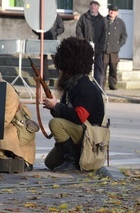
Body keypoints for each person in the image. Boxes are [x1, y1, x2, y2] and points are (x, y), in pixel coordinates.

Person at [41, 37, 105, 172]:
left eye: (62, 69)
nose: (60, 72)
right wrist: (54, 107)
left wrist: (56, 106)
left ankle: (73, 161)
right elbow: (67, 114)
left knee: (55, 124)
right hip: (81, 133)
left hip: (90, 136)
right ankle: (72, 156)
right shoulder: (73, 85)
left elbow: (78, 117)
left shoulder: (85, 87)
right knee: (50, 162)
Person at [75, 0, 106, 87]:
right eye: (92, 5)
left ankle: (98, 87)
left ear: (98, 8)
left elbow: (104, 34)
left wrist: (100, 45)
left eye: (95, 6)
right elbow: (78, 30)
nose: (93, 7)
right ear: (89, 7)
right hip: (85, 47)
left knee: (98, 68)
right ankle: (84, 85)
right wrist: (82, 42)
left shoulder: (102, 19)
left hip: (98, 47)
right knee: (85, 67)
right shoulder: (83, 17)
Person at [102, 4, 128, 90]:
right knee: (103, 69)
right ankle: (101, 85)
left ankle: (112, 84)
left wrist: (119, 45)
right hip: (104, 49)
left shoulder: (120, 23)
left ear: (117, 12)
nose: (112, 12)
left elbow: (124, 36)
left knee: (113, 68)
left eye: (114, 11)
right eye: (110, 10)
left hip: (114, 50)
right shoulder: (103, 21)